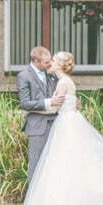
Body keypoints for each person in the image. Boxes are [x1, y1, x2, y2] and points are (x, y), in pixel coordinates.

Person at [19, 51, 103, 205]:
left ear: (60, 64)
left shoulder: (62, 83)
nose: (50, 63)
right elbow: (73, 103)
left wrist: (32, 110)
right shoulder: (67, 82)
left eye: (53, 61)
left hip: (65, 125)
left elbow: (53, 109)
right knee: (76, 164)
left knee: (63, 165)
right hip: (71, 121)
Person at [16, 46, 64, 185]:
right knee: (36, 164)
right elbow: (25, 103)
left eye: (50, 61)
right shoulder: (24, 75)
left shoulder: (51, 73)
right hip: (37, 126)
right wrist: (48, 102)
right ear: (36, 61)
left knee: (55, 163)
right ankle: (32, 201)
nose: (50, 64)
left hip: (56, 123)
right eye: (46, 62)